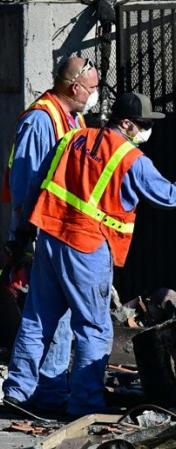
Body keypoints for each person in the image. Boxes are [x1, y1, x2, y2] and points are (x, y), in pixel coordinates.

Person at [3, 92, 176, 416]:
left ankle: (22, 394)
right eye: (143, 124)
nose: (145, 131)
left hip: (50, 238)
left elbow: (39, 185)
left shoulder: (72, 138)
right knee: (94, 329)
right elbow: (170, 196)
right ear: (126, 123)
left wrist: (23, 235)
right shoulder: (132, 160)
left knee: (37, 321)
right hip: (86, 248)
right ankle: (84, 404)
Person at [1, 56, 99, 413]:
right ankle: (42, 393)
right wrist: (23, 243)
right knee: (49, 317)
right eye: (92, 87)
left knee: (48, 316)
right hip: (42, 232)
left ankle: (32, 391)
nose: (94, 94)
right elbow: (26, 183)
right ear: (74, 87)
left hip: (62, 232)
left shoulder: (73, 118)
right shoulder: (41, 120)